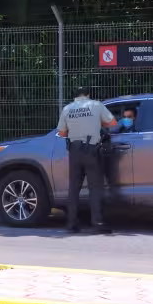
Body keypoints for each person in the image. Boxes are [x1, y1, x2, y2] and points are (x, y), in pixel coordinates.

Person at [56, 87, 116, 234]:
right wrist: (97, 123)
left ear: (75, 96)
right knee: (94, 188)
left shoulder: (67, 109)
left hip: (74, 151)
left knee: (74, 188)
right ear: (88, 95)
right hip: (91, 150)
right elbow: (113, 123)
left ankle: (71, 223)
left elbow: (62, 133)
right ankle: (97, 223)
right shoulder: (96, 105)